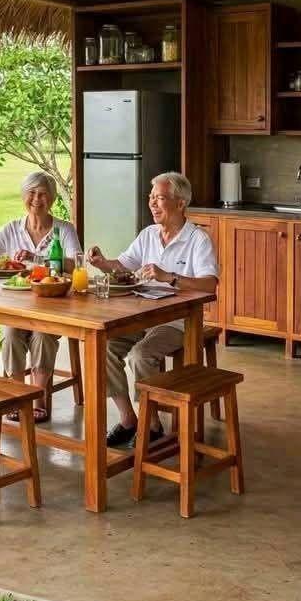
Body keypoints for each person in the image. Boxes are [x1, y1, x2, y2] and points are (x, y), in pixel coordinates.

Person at [87, 172, 218, 448]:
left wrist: (169, 276)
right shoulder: (148, 235)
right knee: (103, 347)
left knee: (141, 355)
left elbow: (209, 286)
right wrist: (101, 263)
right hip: (142, 317)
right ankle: (128, 419)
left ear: (180, 203)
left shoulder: (198, 239)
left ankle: (153, 423)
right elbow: (123, 264)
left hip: (180, 321)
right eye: (151, 198)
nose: (152, 204)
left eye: (159, 198)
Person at [0, 170, 80, 423]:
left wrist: (35, 259)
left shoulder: (64, 229)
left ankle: (37, 397)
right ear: (23, 197)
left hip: (53, 304)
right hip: (18, 306)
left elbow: (73, 265)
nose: (37, 199)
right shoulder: (13, 228)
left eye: (43, 194)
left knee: (42, 335)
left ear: (52, 199)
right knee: (11, 334)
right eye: (32, 193)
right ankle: (17, 395)